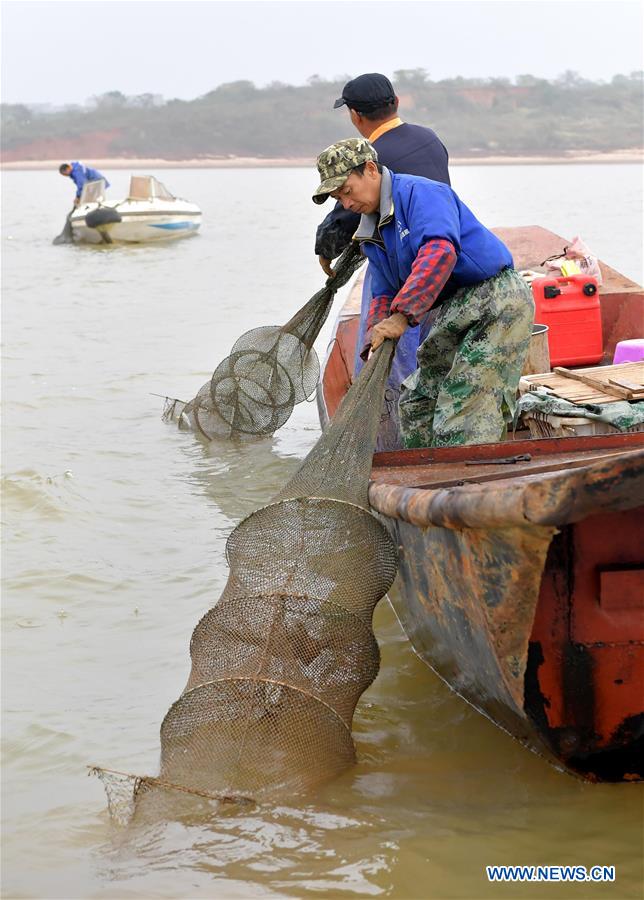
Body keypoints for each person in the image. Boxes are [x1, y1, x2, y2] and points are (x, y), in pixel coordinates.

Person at [312, 139, 534, 449]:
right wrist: (372, 340)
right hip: (454, 306)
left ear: (371, 170)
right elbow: (384, 290)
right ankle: (424, 476)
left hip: (495, 299)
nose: (346, 204)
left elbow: (440, 251)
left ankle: (467, 483)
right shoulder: (370, 231)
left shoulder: (421, 193)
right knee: (418, 403)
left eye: (347, 191)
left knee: (463, 408)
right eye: (339, 198)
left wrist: (401, 317)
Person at [315, 75, 451, 447]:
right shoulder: (429, 139)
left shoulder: (372, 157)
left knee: (389, 360)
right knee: (430, 348)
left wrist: (325, 248)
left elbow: (347, 214)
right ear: (396, 102)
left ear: (356, 116)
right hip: (435, 270)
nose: (345, 198)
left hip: (398, 262)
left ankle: (390, 445)